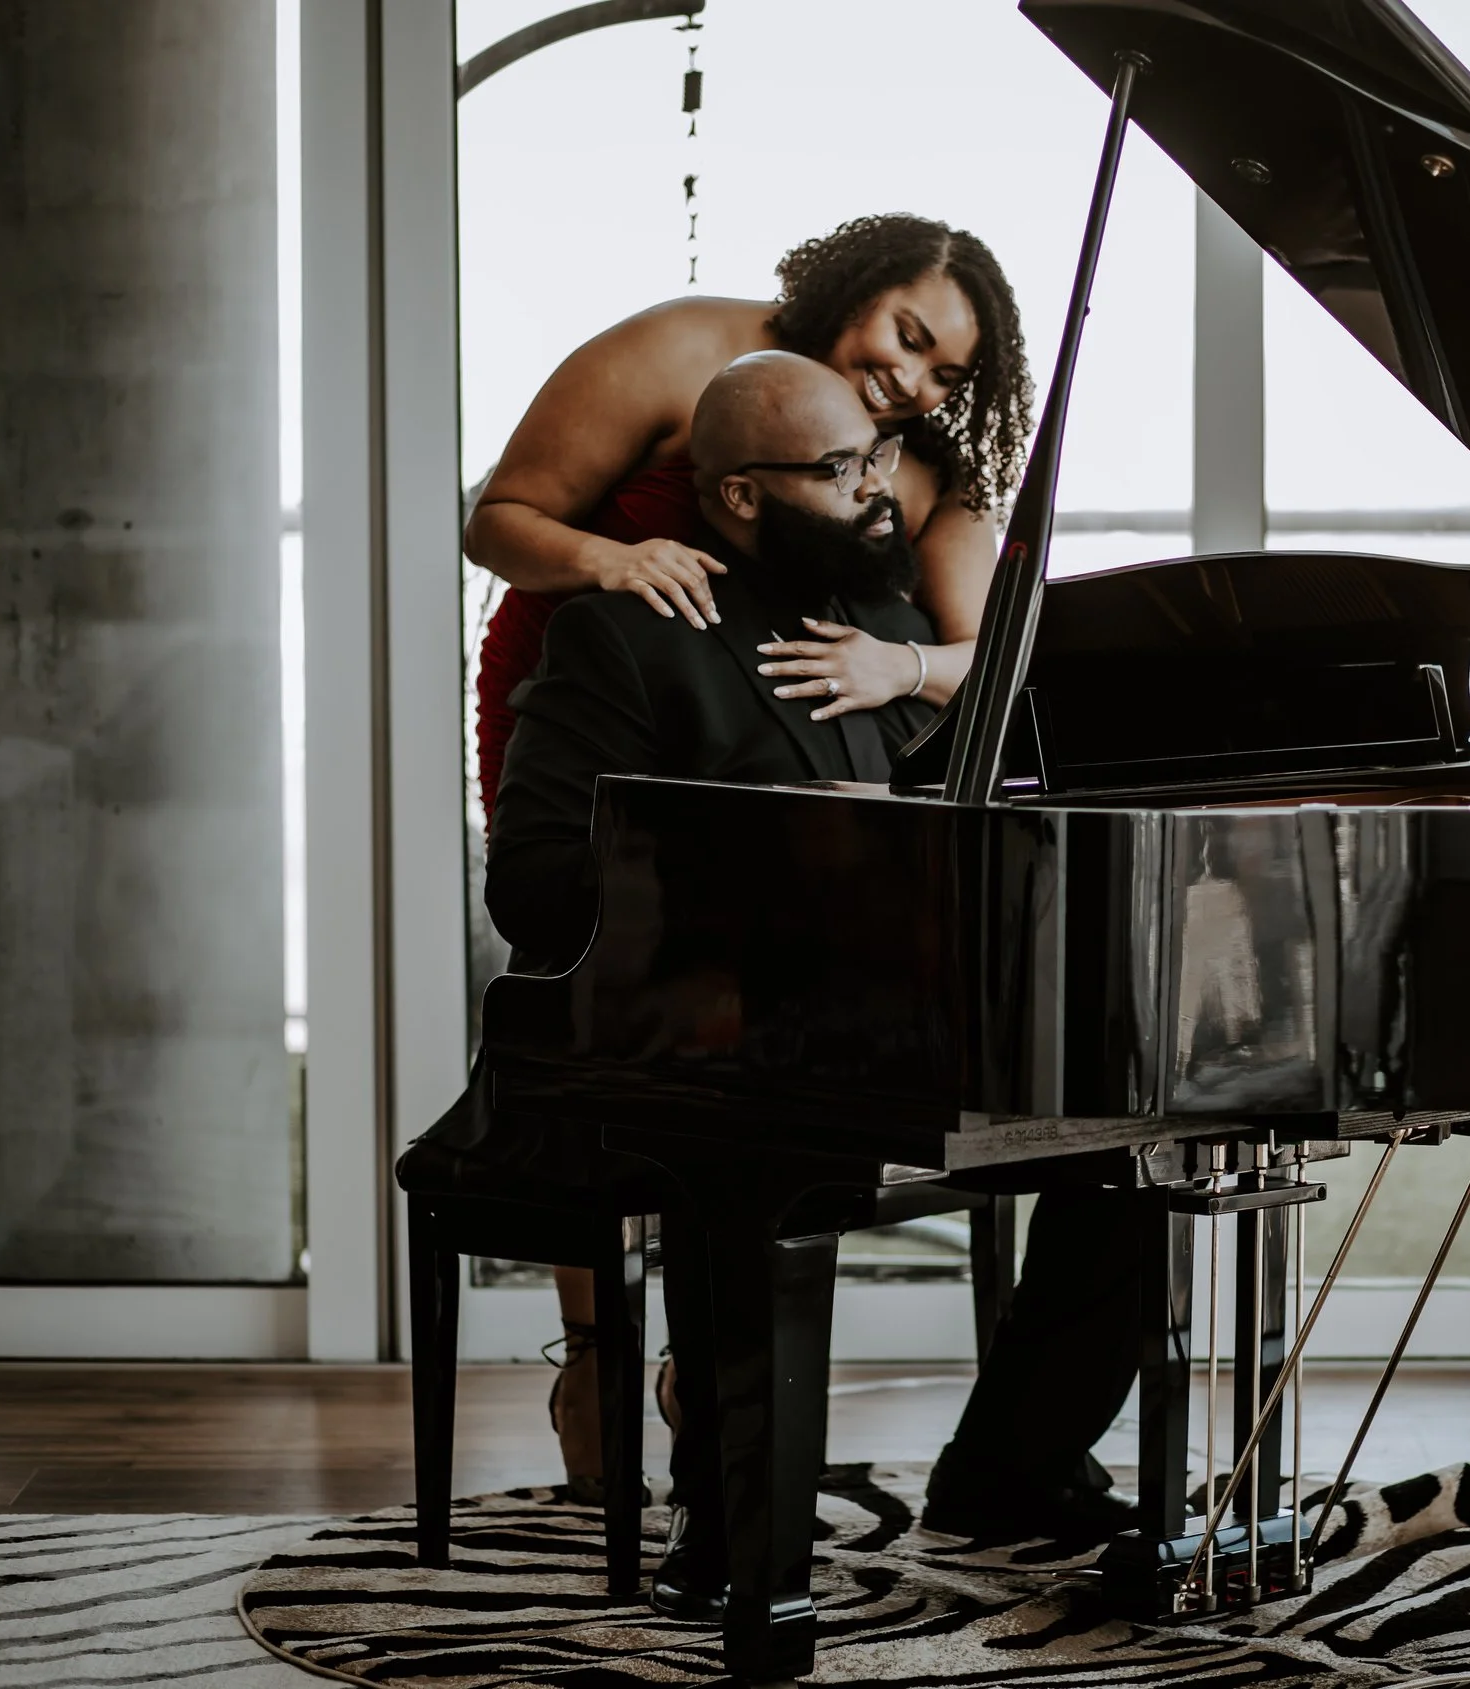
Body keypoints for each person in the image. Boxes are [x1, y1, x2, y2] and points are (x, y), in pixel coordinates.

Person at [488, 352, 1139, 1620]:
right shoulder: (620, 638)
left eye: (877, 459)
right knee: (747, 1151)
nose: (877, 490)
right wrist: (786, 840)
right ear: (738, 494)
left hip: (911, 1035)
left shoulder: (891, 638)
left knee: (1139, 1138)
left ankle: (1009, 1474)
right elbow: (535, 889)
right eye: (840, 470)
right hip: (714, 1045)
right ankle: (729, 1524)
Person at [466, 214, 1034, 1493]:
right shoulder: (681, 349)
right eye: (907, 335)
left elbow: (986, 656)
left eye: (950, 374)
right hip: (602, 671)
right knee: (591, 970)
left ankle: (714, 1358)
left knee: (758, 994)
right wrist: (617, 559)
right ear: (852, 287)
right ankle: (600, 1349)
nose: (916, 383)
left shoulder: (923, 466)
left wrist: (902, 665)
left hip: (777, 740)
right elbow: (499, 519)